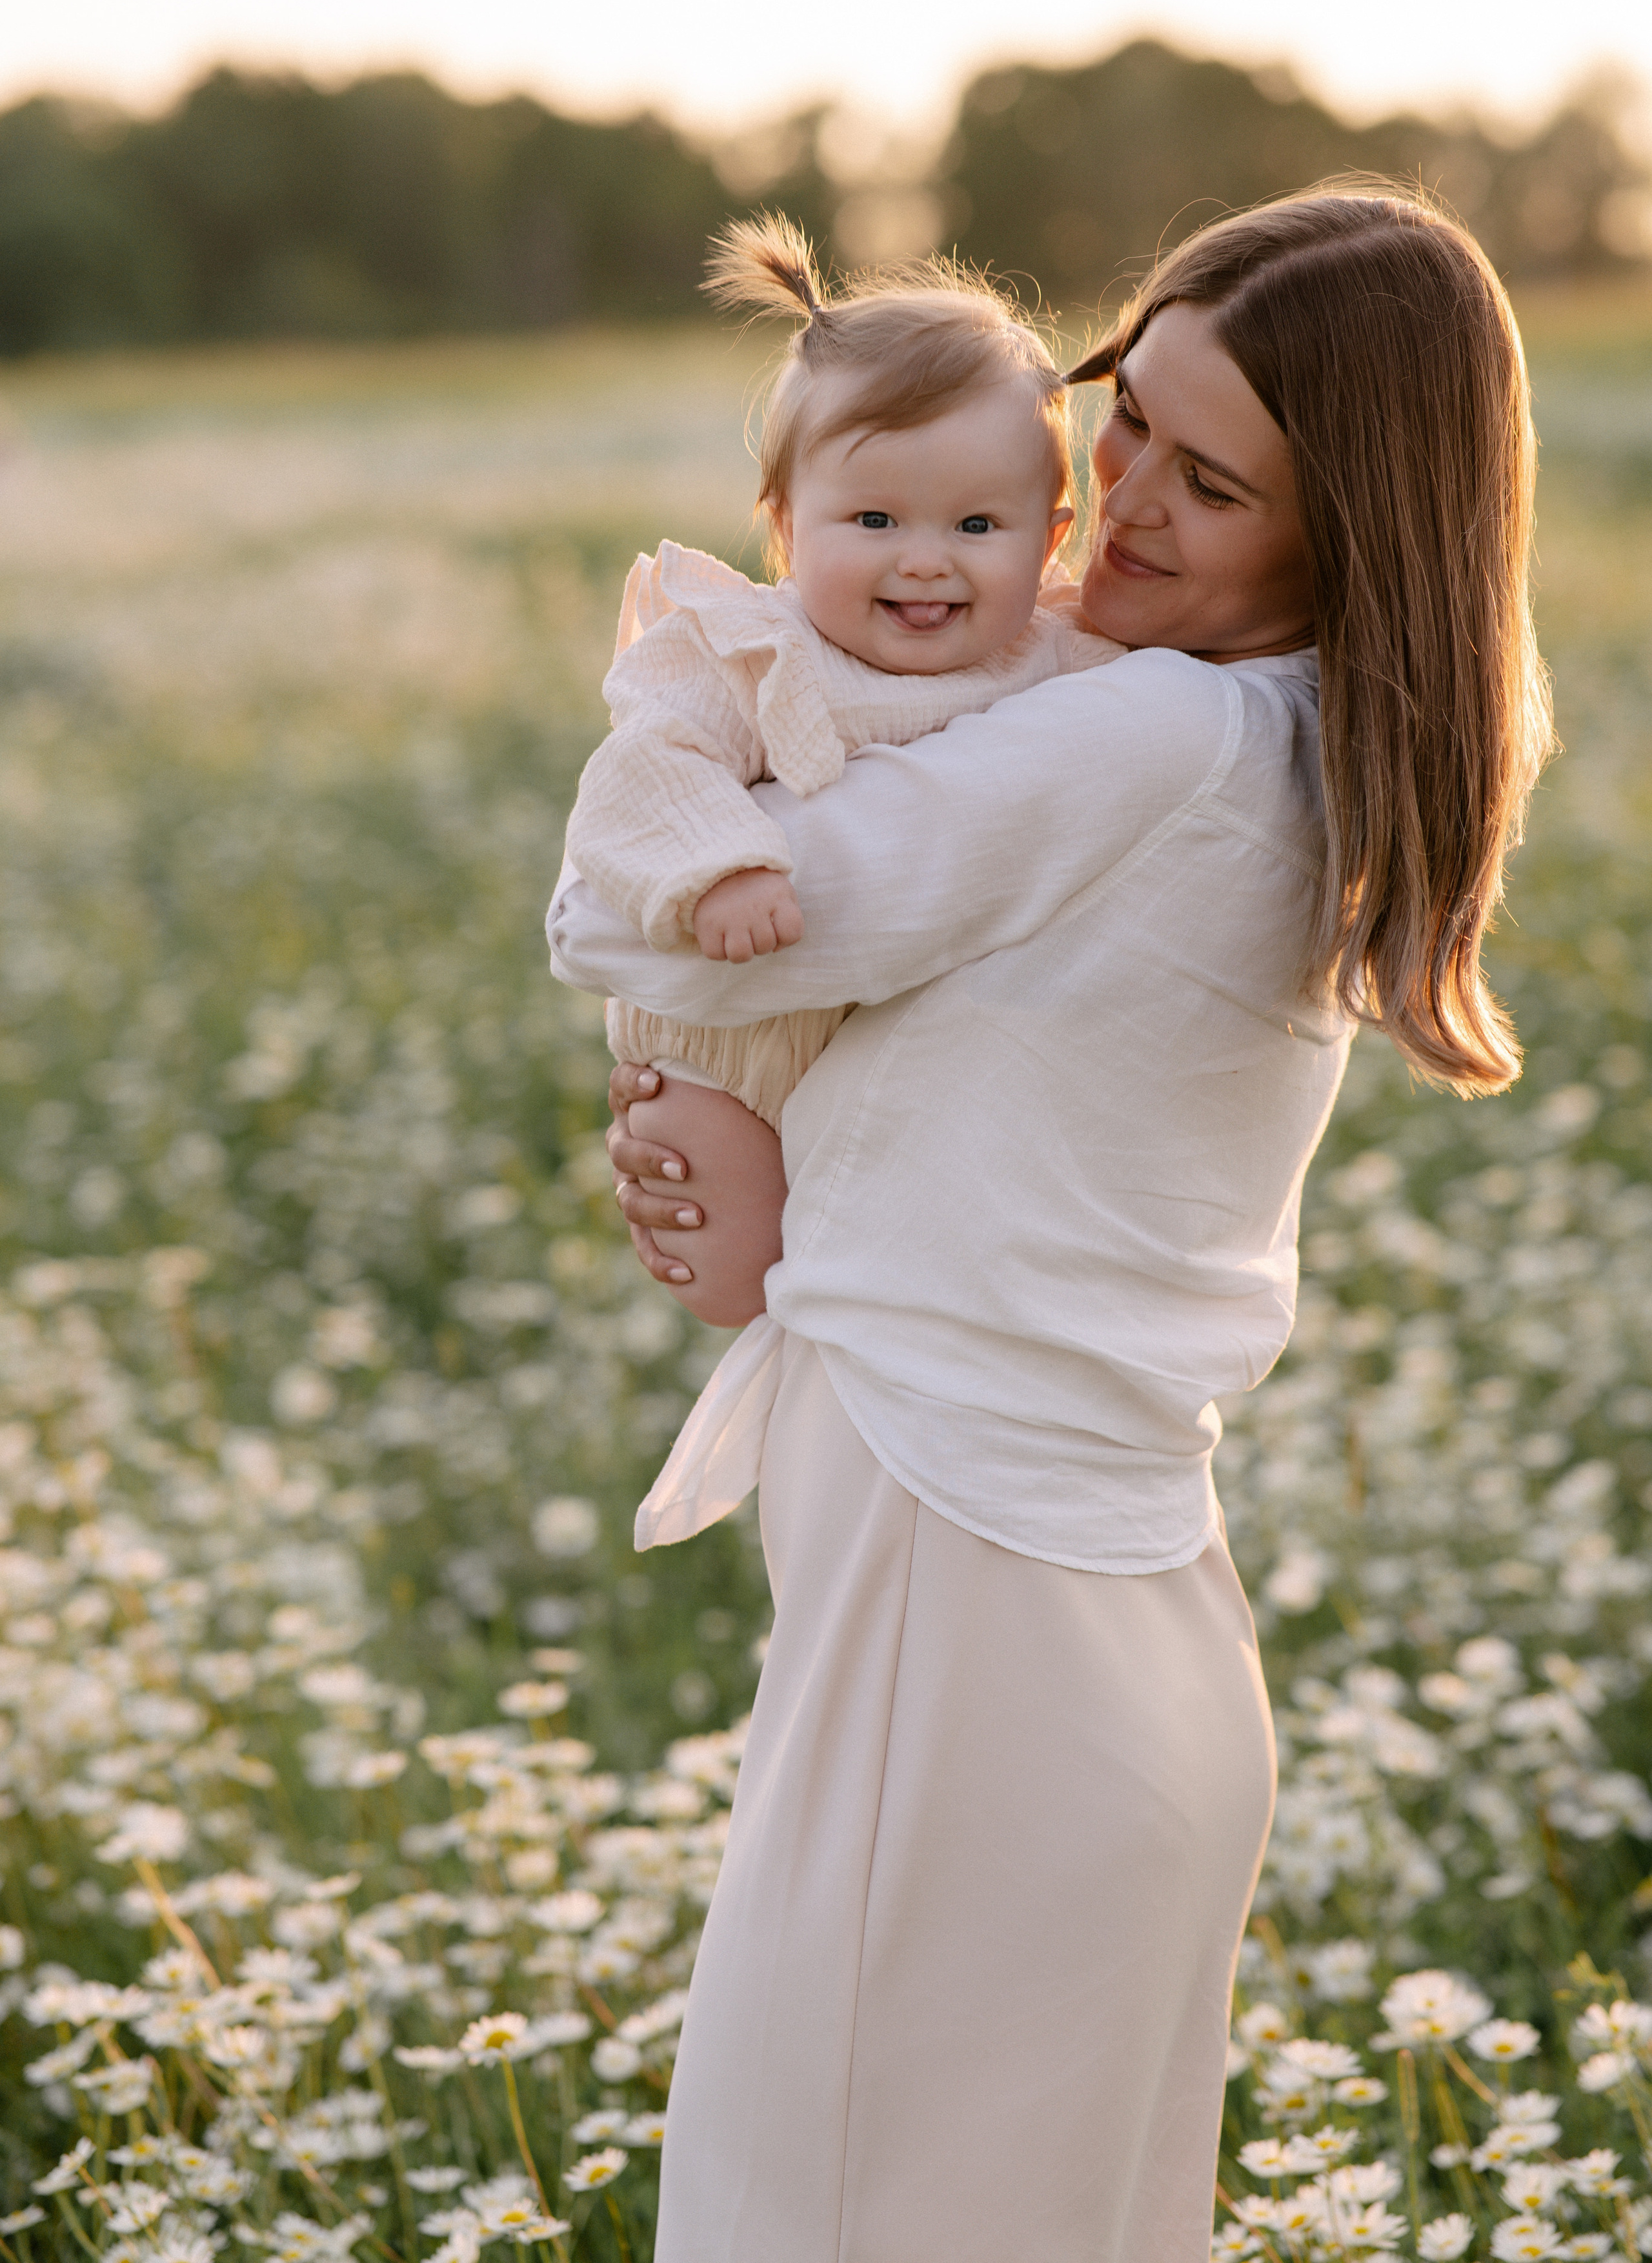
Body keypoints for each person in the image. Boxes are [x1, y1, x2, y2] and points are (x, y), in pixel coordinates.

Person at [547, 184, 1553, 2262]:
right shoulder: (1316, 747)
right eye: (1126, 420)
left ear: (1347, 529)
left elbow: (625, 913)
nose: (1127, 502)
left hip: (975, 1633)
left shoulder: (1156, 734)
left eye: (1218, 479)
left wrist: (733, 706)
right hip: (1108, 1641)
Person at [561, 214, 1122, 1324]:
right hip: (736, 1056)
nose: (926, 558)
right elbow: (642, 769)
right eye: (873, 518)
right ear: (784, 524)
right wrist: (722, 869)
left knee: (891, 1272)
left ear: (1051, 539)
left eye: (977, 523)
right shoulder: (746, 651)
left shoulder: (1061, 655)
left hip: (904, 1047)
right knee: (744, 1285)